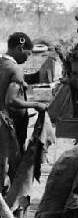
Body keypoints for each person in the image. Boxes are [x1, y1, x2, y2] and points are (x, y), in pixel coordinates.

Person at [1, 32, 47, 194]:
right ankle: (10, 211)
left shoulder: (2, 64)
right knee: (12, 168)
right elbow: (11, 100)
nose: (27, 58)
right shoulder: (15, 69)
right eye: (27, 54)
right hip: (6, 128)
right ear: (20, 48)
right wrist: (35, 104)